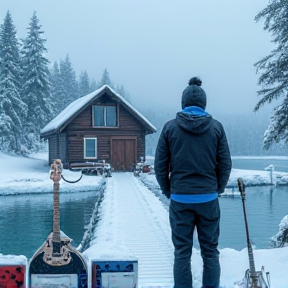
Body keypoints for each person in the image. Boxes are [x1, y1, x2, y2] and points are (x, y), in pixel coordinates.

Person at [154, 77, 232, 288]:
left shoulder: (170, 128)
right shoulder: (216, 128)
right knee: (210, 252)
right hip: (208, 198)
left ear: (183, 102)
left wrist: (169, 190)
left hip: (180, 198)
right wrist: (218, 188)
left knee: (182, 252)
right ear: (203, 104)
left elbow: (160, 165)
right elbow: (225, 164)